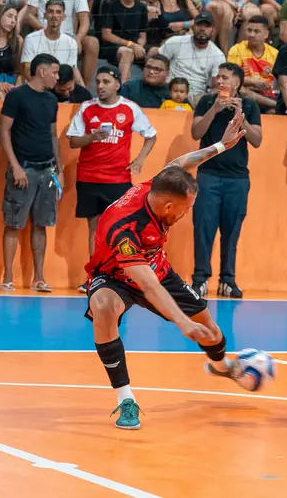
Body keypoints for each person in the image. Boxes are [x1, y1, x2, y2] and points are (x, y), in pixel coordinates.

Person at [85, 107, 252, 429]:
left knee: (212, 333)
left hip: (157, 268)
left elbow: (182, 163)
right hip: (115, 276)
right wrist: (181, 323)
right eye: (186, 210)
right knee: (104, 307)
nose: (186, 214)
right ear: (169, 206)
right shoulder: (124, 228)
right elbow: (148, 286)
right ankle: (125, 400)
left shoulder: (159, 186)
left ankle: (220, 366)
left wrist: (221, 146)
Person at [67, 65, 158, 292]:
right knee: (94, 229)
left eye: (106, 82)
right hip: (88, 177)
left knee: (120, 230)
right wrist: (92, 137)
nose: (100, 86)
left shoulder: (129, 108)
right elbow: (73, 141)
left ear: (117, 84)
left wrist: (139, 160)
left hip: (118, 179)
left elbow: (151, 135)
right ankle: (95, 276)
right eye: (98, 81)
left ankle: (119, 275)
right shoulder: (87, 108)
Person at [191, 62, 263, 298]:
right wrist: (214, 109)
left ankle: (228, 280)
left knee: (232, 231)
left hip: (237, 178)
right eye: (218, 77)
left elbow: (257, 140)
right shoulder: (206, 102)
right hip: (208, 174)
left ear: (237, 83)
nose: (220, 81)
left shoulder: (249, 106)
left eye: (225, 77)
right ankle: (200, 279)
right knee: (203, 228)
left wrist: (240, 116)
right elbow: (196, 132)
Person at [0, 53, 62, 292]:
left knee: (41, 225)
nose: (58, 77)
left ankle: (39, 278)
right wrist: (15, 166)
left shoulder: (52, 100)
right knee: (13, 224)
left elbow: (53, 135)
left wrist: (59, 169)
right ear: (42, 71)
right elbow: (3, 131)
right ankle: (8, 277)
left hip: (47, 170)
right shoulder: (17, 96)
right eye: (55, 72)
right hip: (23, 168)